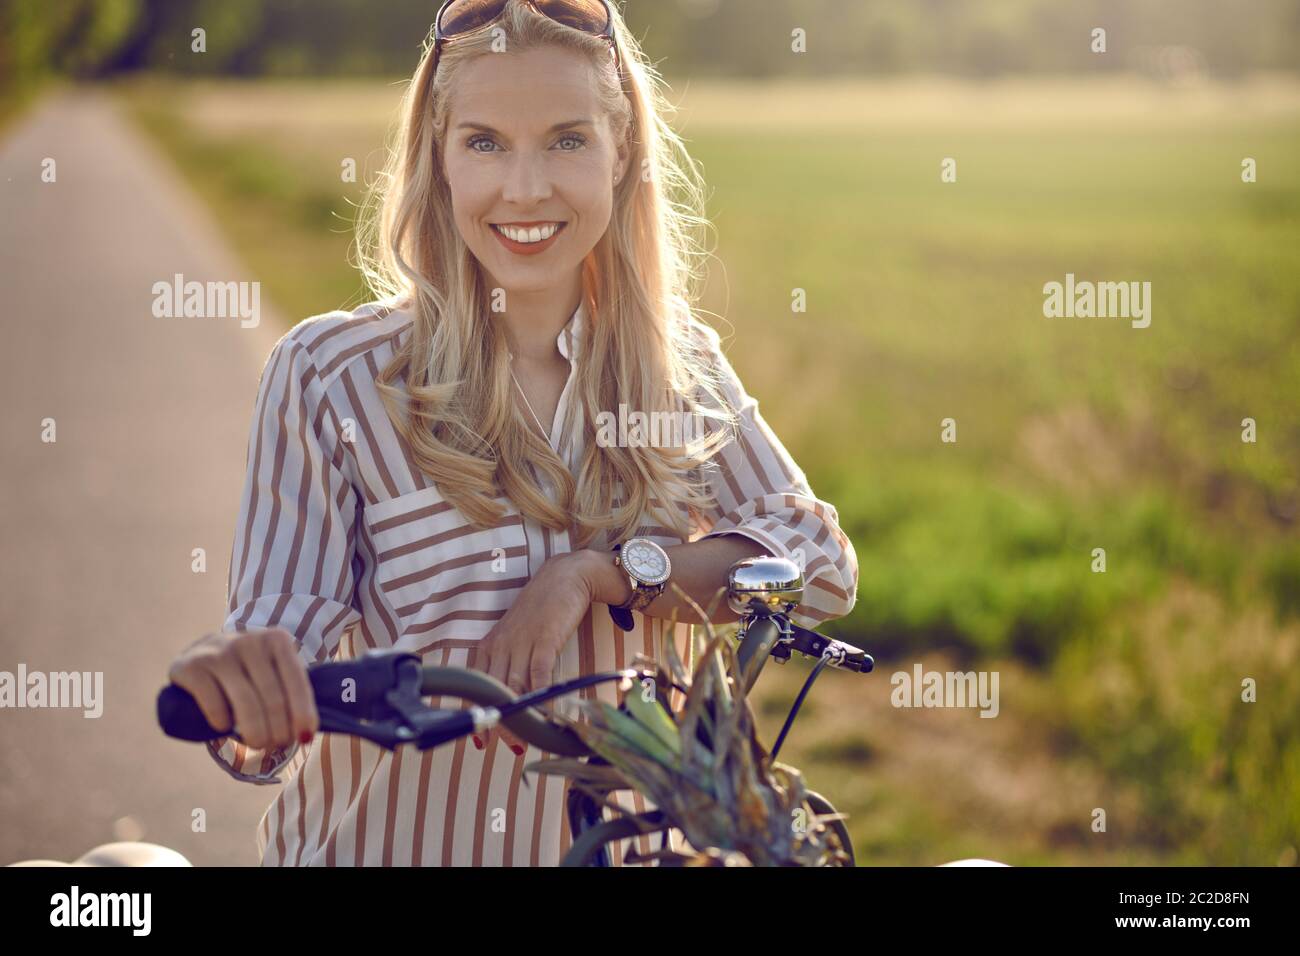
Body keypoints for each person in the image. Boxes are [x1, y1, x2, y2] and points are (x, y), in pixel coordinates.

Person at [166, 0, 858, 866]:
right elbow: (269, 676)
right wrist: (236, 686)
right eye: (485, 142)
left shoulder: (681, 367)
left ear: (621, 155)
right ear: (440, 159)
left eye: (567, 140)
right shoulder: (330, 376)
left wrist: (599, 575)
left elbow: (819, 565)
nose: (525, 189)